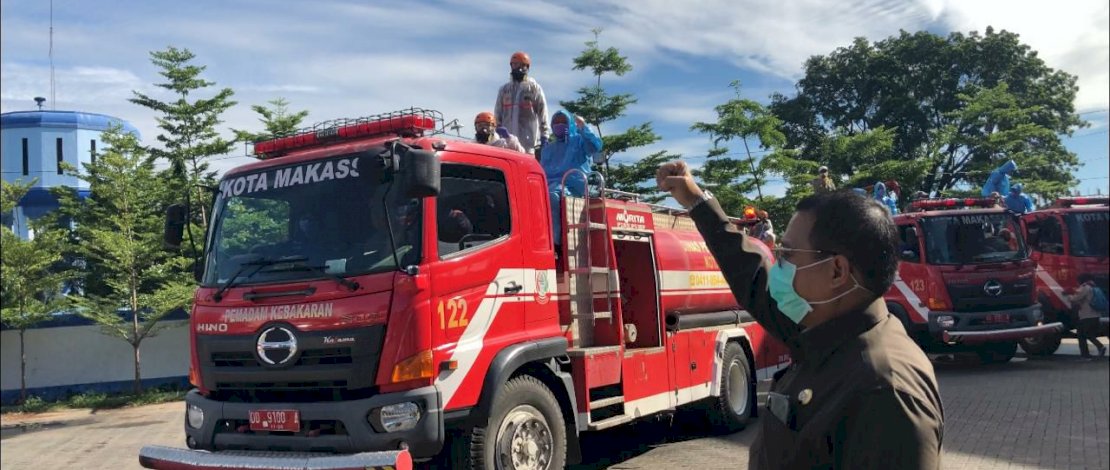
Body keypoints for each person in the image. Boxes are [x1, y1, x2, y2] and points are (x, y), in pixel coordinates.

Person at [656, 160, 943, 469]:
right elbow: (752, 277)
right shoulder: (825, 334)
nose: (777, 266)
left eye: (788, 255)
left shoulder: (884, 393)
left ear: (837, 271)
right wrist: (696, 201)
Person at [543, 110, 603, 246]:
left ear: (570, 123)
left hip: (573, 187)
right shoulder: (548, 148)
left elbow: (595, 146)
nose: (559, 125)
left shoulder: (579, 140)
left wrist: (583, 128)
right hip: (550, 185)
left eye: (562, 121)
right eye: (555, 122)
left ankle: (555, 242)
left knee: (553, 196)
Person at [494, 51, 548, 156]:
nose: (518, 68)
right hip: (506, 144)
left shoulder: (534, 88)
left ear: (527, 67)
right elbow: (497, 115)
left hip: (528, 144)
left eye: (521, 65)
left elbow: (543, 113)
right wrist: (497, 134)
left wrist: (545, 135)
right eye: (515, 64)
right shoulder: (504, 90)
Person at [1069, 273, 1107, 359]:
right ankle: (1090, 352)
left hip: (1086, 315)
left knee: (1083, 334)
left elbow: (1075, 298)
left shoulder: (1085, 287)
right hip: (1095, 315)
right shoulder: (1094, 287)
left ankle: (1089, 353)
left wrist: (1068, 296)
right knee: (1087, 334)